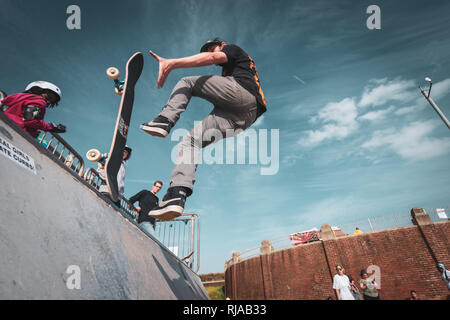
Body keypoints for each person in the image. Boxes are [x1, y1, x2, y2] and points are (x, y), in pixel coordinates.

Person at [141, 37, 267, 221]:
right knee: (191, 141)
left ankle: (164, 120)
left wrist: (172, 63)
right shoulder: (229, 72)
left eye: (212, 48)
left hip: (243, 94)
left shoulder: (232, 49)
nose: (210, 52)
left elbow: (212, 59)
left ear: (222, 44)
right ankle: (177, 193)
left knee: (187, 82)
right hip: (246, 116)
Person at [1, 81, 66, 138]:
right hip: (18, 133)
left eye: (51, 102)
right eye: (48, 97)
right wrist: (50, 127)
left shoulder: (20, 98)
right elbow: (30, 119)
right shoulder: (39, 101)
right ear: (38, 90)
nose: (48, 102)